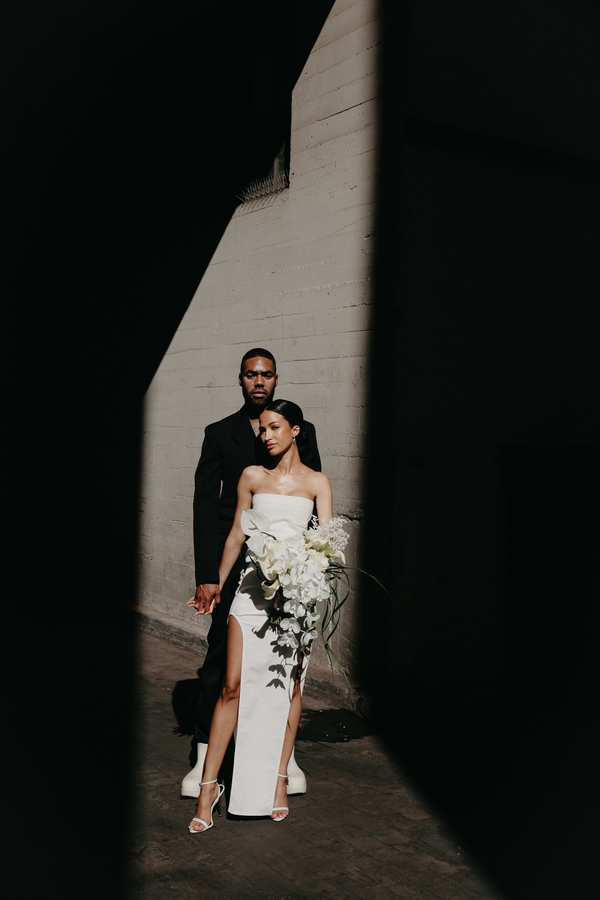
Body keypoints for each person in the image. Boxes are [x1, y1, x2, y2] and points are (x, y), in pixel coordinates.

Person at [181, 349, 321, 798]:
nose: (258, 381)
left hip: (290, 564)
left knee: (286, 656)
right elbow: (206, 506)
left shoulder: (299, 428)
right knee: (220, 655)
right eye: (250, 375)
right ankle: (204, 752)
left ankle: (284, 755)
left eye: (266, 375)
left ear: (276, 379)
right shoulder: (219, 432)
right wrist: (209, 575)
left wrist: (307, 566)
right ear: (240, 380)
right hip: (235, 557)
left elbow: (311, 503)